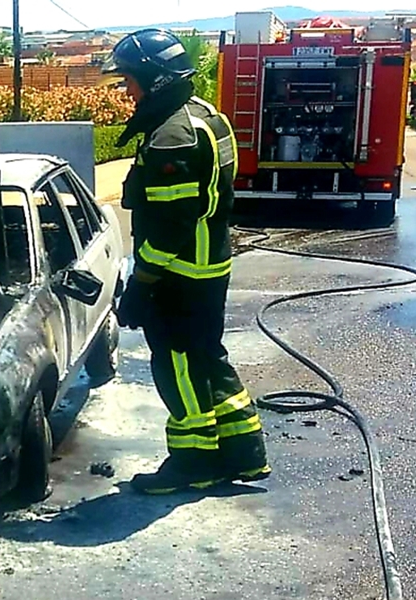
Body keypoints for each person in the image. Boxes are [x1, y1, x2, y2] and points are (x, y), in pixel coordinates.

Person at [102, 29, 271, 495]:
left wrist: (143, 282)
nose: (127, 90)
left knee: (178, 364)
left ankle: (194, 463)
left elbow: (171, 225)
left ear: (154, 79)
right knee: (206, 356)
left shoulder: (170, 136)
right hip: (209, 266)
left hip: (178, 273)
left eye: (131, 80)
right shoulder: (207, 118)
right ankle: (243, 452)